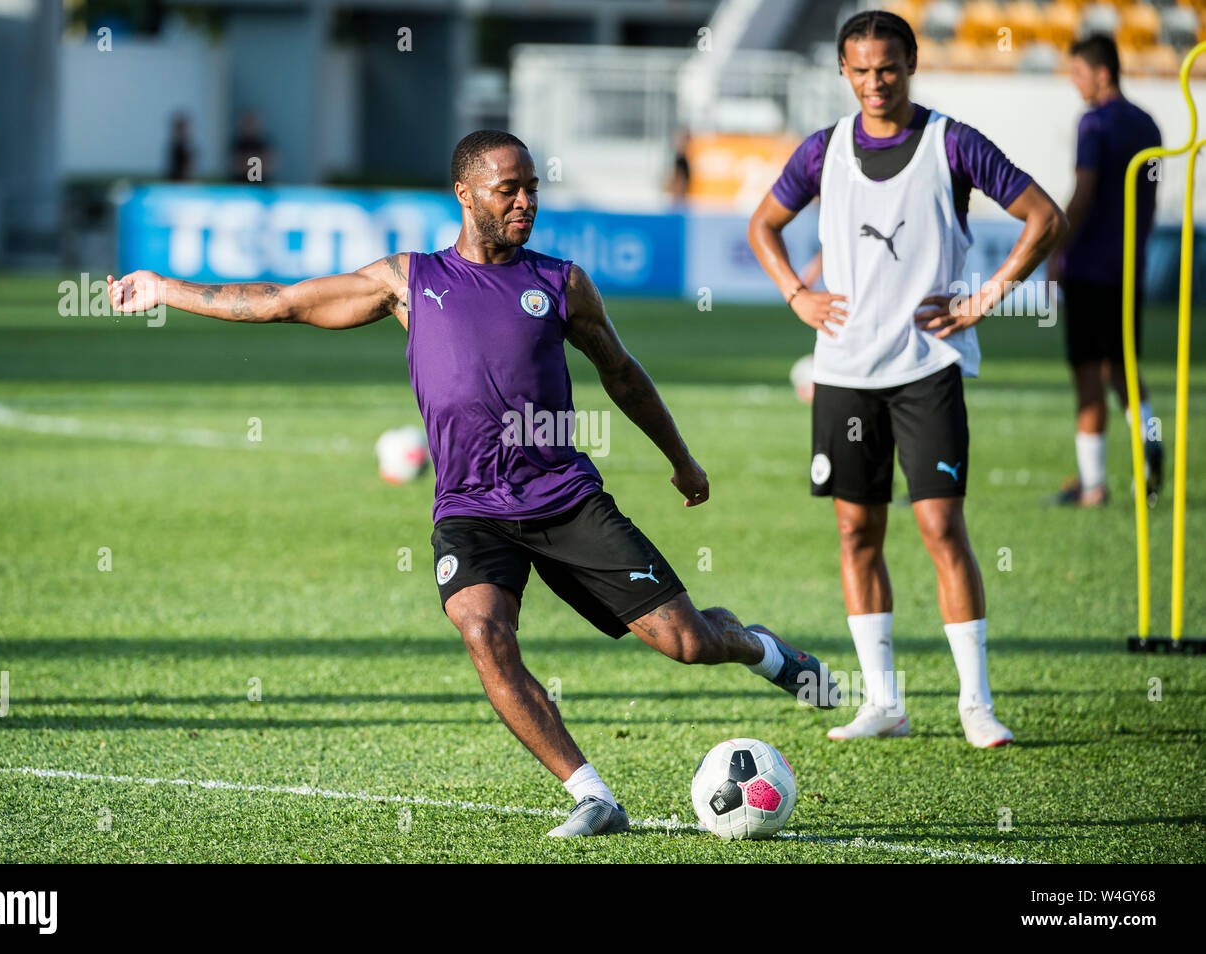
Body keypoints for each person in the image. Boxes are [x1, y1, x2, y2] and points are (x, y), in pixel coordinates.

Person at [110, 129, 837, 837]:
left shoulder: (561, 283)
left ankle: (767, 652)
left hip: (564, 500)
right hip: (469, 510)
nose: (525, 202)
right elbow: (281, 300)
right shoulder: (409, 281)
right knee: (485, 633)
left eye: (532, 189)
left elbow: (621, 372)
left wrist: (680, 458)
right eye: (508, 189)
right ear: (464, 194)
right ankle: (591, 795)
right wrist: (166, 289)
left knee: (689, 643)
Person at [747, 10, 1068, 747]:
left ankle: (976, 704)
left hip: (928, 368)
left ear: (911, 64)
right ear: (843, 71)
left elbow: (1043, 216)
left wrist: (985, 297)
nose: (874, 83)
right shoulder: (823, 149)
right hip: (844, 372)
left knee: (940, 526)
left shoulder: (952, 142)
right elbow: (763, 224)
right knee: (856, 529)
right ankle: (884, 702)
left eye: (887, 68)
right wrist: (797, 293)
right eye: (860, 70)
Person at [1047, 33, 1163, 508]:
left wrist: (1057, 247)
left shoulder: (1093, 123)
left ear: (1102, 72)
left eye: (1077, 73)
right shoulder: (1148, 125)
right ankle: (1151, 441)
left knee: (1088, 373)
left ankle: (1092, 484)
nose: (1073, 82)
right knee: (1124, 368)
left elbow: (1084, 191)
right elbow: (1151, 196)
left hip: (1089, 266)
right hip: (1128, 266)